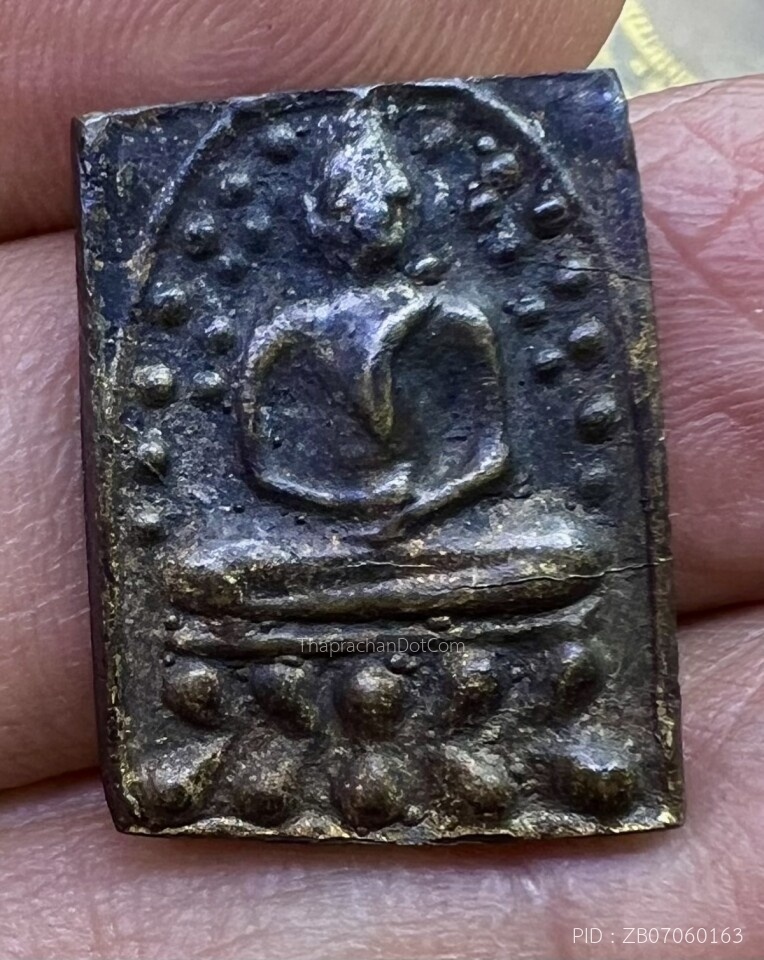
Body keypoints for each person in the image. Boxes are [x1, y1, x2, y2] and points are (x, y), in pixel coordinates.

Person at [0, 0, 761, 957]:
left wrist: (423, 502)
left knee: (567, 552)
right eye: (353, 210)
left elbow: (490, 457)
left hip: (440, 534)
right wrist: (343, 508)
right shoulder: (287, 327)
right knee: (202, 571)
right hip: (323, 542)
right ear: (320, 219)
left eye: (390, 208)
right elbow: (264, 464)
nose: (373, 223)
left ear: (409, 213)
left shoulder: (459, 319)